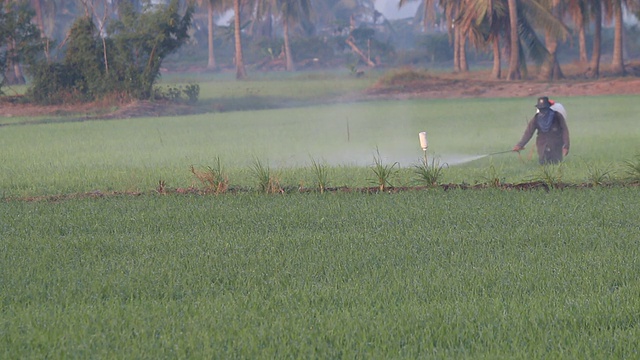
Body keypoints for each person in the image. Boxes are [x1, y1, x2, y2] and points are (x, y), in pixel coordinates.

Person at [513, 96, 570, 165]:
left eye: (544, 108)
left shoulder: (557, 116)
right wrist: (520, 145)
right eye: (541, 109)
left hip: (556, 145)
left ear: (549, 107)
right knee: (543, 165)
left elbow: (564, 130)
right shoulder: (536, 118)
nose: (543, 110)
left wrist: (566, 146)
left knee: (556, 165)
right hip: (542, 146)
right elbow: (528, 133)